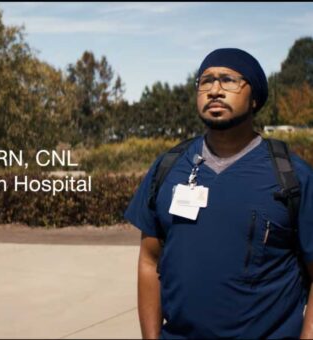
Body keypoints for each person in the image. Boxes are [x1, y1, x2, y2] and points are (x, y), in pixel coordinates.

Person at [124, 48, 313, 339]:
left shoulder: (291, 175)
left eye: (228, 80)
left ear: (255, 99)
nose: (214, 90)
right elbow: (149, 261)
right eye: (206, 81)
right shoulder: (168, 167)